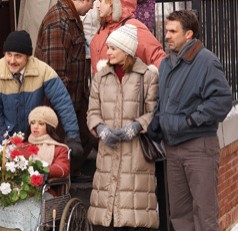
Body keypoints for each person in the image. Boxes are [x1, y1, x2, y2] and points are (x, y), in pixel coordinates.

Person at [147, 10, 232, 231]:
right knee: (179, 215)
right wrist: (158, 119)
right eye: (166, 30)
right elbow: (164, 99)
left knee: (204, 215)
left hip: (199, 148)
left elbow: (222, 100)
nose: (166, 35)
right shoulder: (166, 64)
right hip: (172, 149)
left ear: (189, 34)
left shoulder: (206, 61)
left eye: (172, 31)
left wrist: (192, 121)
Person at [87, 24, 159, 230]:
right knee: (106, 218)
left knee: (132, 216)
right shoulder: (100, 78)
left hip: (135, 155)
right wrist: (100, 128)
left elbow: (154, 112)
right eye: (108, 48)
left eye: (112, 48)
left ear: (126, 50)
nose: (107, 52)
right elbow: (92, 111)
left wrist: (136, 127)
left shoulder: (147, 76)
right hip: (107, 154)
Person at [0, 30, 83, 165]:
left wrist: (73, 136)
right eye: (8, 55)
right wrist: (4, 145)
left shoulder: (43, 71)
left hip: (36, 137)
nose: (12, 61)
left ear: (28, 57)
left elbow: (63, 103)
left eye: (18, 56)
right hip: (8, 138)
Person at [35, 0, 97, 182]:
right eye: (92, 2)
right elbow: (55, 75)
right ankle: (61, 185)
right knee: (60, 153)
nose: (93, 7)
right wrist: (66, 112)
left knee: (89, 136)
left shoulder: (69, 18)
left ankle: (70, 175)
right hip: (62, 107)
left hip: (77, 100)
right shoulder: (58, 21)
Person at [0, 106, 70, 231]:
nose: (35, 126)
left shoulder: (59, 148)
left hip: (44, 193)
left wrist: (43, 170)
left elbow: (63, 168)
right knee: (0, 206)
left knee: (23, 210)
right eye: (32, 123)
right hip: (19, 191)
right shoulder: (21, 146)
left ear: (49, 126)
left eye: (41, 123)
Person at [90, 0, 166, 76]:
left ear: (112, 3)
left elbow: (156, 57)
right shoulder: (101, 31)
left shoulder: (132, 26)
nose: (97, 6)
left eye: (101, 1)